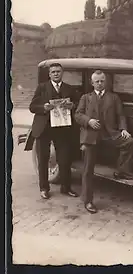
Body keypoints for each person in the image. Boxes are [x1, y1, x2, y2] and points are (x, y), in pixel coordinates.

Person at [75, 70, 133, 214]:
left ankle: (121, 171)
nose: (100, 83)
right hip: (91, 137)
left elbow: (121, 115)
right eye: (97, 81)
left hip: (111, 135)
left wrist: (123, 129)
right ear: (92, 83)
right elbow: (77, 114)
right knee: (88, 169)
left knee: (130, 142)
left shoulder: (114, 98)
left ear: (106, 82)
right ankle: (88, 200)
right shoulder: (86, 98)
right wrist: (88, 121)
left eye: (102, 81)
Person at [29, 63, 79, 199]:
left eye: (58, 71)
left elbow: (78, 104)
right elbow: (32, 106)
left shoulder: (69, 89)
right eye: (53, 72)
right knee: (43, 159)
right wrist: (44, 107)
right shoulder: (42, 87)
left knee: (64, 159)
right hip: (44, 128)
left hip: (62, 129)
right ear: (49, 74)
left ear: (62, 73)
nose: (56, 74)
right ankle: (44, 188)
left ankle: (66, 187)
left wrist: (72, 105)